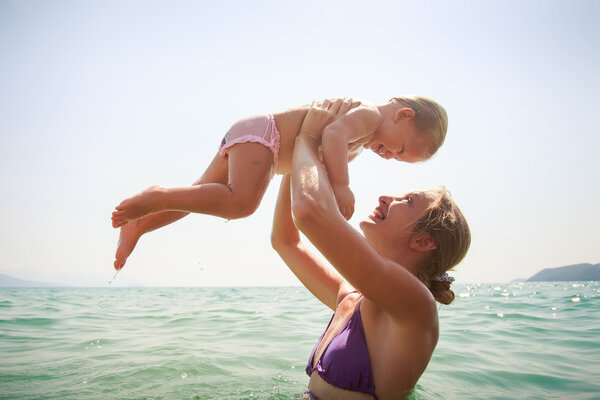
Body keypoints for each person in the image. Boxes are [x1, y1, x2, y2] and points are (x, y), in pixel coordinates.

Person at [270, 100, 470, 399]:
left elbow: (309, 213)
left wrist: (308, 138)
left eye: (409, 201)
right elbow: (286, 241)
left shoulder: (415, 305)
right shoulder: (351, 299)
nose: (387, 196)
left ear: (423, 241)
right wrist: (304, 157)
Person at [110, 96, 447, 270]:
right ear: (404, 115)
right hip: (264, 138)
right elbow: (331, 134)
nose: (389, 155)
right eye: (399, 149)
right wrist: (342, 186)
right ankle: (155, 196)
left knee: (200, 196)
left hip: (257, 139)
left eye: (397, 158)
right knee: (240, 204)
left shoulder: (362, 138)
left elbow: (322, 155)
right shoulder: (370, 115)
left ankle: (139, 226)